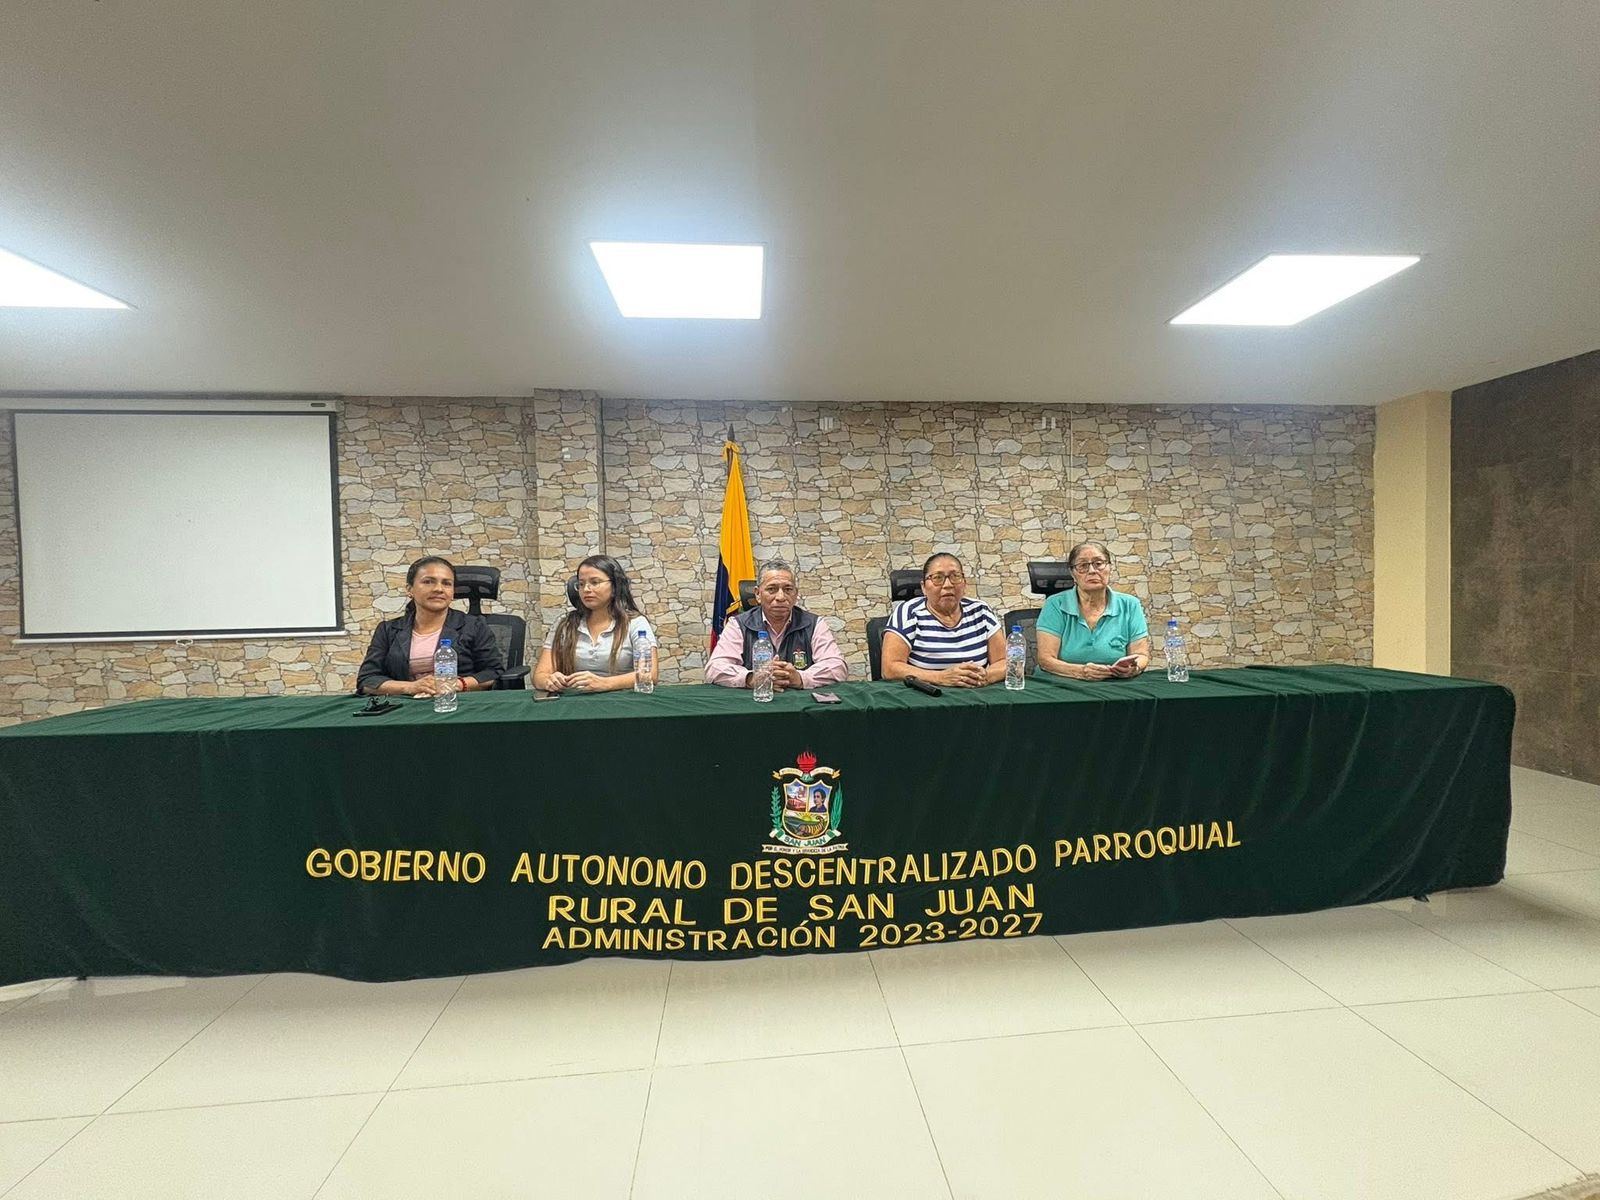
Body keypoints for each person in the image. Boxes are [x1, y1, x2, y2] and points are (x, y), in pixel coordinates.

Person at [357, 556, 505, 696]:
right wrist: (411, 687)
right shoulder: (387, 630)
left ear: (453, 592)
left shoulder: (474, 626)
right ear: (409, 589)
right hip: (405, 705)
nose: (438, 589)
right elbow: (367, 680)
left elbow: (493, 673)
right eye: (428, 582)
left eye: (447, 583)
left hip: (457, 703)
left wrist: (456, 684)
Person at [704, 558, 849, 691]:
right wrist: (751, 678)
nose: (780, 597)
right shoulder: (738, 624)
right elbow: (714, 668)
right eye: (772, 589)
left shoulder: (814, 624)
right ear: (758, 594)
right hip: (756, 703)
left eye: (788, 589)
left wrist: (800, 678)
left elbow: (837, 666)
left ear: (795, 594)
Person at [533, 554, 659, 693]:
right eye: (581, 584)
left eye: (594, 582)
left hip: (622, 698)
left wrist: (604, 683)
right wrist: (549, 680)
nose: (586, 589)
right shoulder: (565, 624)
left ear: (615, 586)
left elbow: (650, 675)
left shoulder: (635, 623)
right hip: (576, 699)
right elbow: (539, 676)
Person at [880, 552, 1005, 687]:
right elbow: (889, 669)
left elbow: (1006, 661)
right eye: (937, 578)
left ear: (964, 583)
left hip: (976, 692)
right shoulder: (908, 613)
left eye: (955, 576)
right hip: (926, 694)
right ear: (923, 587)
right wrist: (940, 677)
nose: (948, 585)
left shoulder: (981, 610)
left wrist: (985, 676)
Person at [1035, 541, 1151, 681]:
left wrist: (1134, 668)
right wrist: (1081, 672)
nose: (1092, 571)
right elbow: (1046, 659)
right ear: (1073, 573)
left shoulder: (1130, 605)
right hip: (1062, 683)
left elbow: (1141, 655)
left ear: (1110, 567)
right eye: (1083, 565)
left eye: (1098, 563)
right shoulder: (1055, 604)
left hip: (1114, 682)